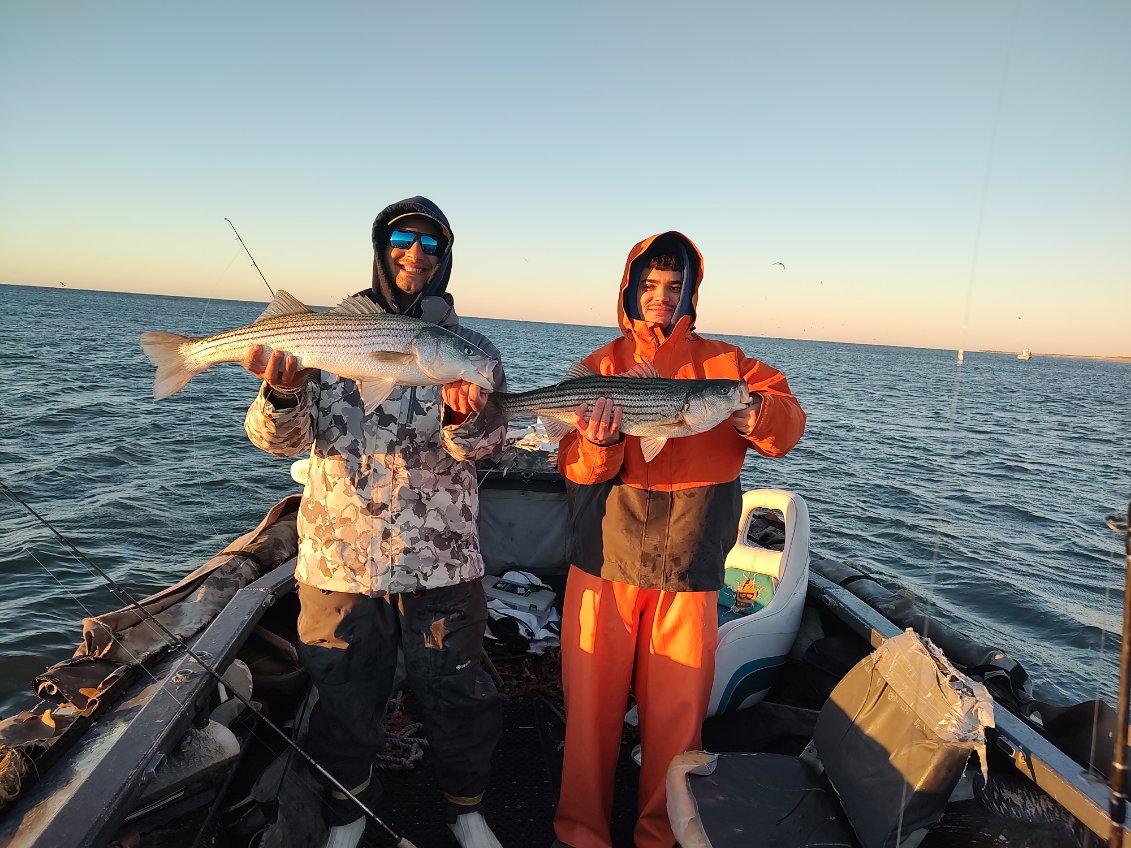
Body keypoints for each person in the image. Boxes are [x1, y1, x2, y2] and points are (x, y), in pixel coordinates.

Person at [241, 196, 507, 848]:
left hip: (440, 561)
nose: (415, 252)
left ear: (445, 259)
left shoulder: (472, 350)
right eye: (401, 237)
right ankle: (348, 808)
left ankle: (465, 806)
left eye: (432, 243)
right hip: (338, 560)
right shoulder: (327, 331)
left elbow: (491, 446)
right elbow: (275, 441)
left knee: (458, 694)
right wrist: (280, 392)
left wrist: (464, 418)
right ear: (381, 244)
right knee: (342, 697)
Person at [552, 232, 807, 848]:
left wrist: (759, 415)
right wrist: (600, 442)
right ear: (630, 291)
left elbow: (787, 422)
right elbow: (573, 465)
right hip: (604, 561)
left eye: (674, 287)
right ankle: (580, 833)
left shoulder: (730, 365)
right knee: (590, 718)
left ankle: (661, 835)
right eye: (649, 286)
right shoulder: (601, 366)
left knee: (676, 726)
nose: (661, 297)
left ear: (691, 291)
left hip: (689, 569)